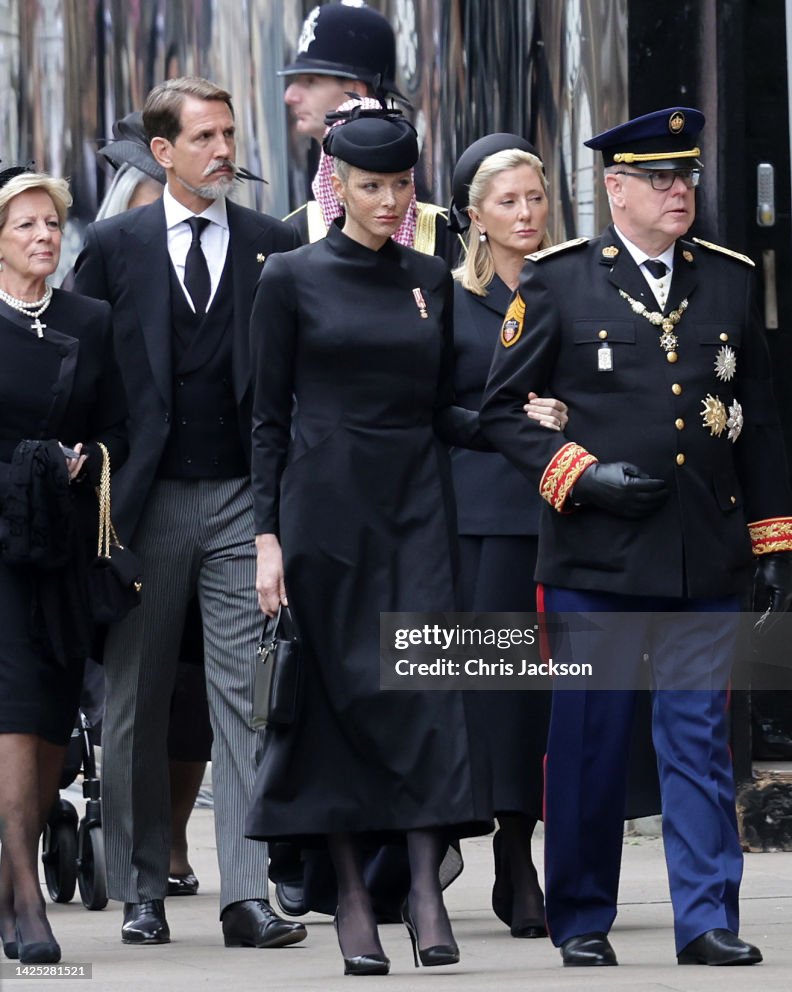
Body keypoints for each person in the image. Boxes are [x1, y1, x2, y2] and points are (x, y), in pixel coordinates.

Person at [480, 106, 792, 967]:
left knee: (698, 738)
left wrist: (772, 541)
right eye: (659, 178)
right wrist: (580, 474)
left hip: (704, 549)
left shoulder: (728, 279)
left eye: (685, 176)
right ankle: (580, 915)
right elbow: (502, 411)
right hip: (596, 555)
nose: (678, 191)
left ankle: (708, 918)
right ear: (614, 189)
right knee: (591, 740)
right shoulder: (557, 282)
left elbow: (758, 419)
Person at [245, 105, 493, 977]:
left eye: (400, 186)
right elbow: (267, 421)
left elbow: (448, 411)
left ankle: (424, 887)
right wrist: (266, 539)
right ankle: (351, 894)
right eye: (370, 186)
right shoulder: (289, 277)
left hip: (419, 507)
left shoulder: (430, 276)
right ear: (336, 186)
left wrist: (522, 418)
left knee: (427, 690)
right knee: (339, 701)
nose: (388, 201)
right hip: (325, 513)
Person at [72, 76, 305, 949]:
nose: (223, 152)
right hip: (147, 502)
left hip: (244, 498)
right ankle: (141, 887)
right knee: (132, 700)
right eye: (204, 137)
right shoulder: (114, 245)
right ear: (162, 151)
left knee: (244, 699)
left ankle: (246, 893)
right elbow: (81, 367)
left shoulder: (270, 245)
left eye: (229, 135)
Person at [0, 166, 127, 964]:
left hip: (66, 548)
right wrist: (34, 462)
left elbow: (123, 424)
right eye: (25, 227)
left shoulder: (92, 319)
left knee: (51, 720)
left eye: (53, 224)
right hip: (0, 548)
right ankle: (24, 897)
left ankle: (12, 872)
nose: (45, 237)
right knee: (13, 714)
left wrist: (88, 464)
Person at [95, 110, 214, 897]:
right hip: (141, 494)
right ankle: (138, 859)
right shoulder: (114, 249)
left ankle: (175, 841)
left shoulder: (248, 239)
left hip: (226, 494)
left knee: (203, 686)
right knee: (142, 683)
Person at [447, 133, 559, 939]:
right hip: (484, 518)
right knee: (496, 692)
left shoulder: (582, 285)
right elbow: (425, 406)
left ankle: (533, 850)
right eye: (508, 202)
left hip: (571, 509)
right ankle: (504, 855)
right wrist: (505, 425)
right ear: (475, 217)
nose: (526, 215)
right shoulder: (445, 295)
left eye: (535, 198)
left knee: (555, 696)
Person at [280, 0, 460, 262]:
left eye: (310, 80)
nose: (290, 95)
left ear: (356, 92)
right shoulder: (295, 230)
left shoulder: (443, 234)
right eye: (371, 186)